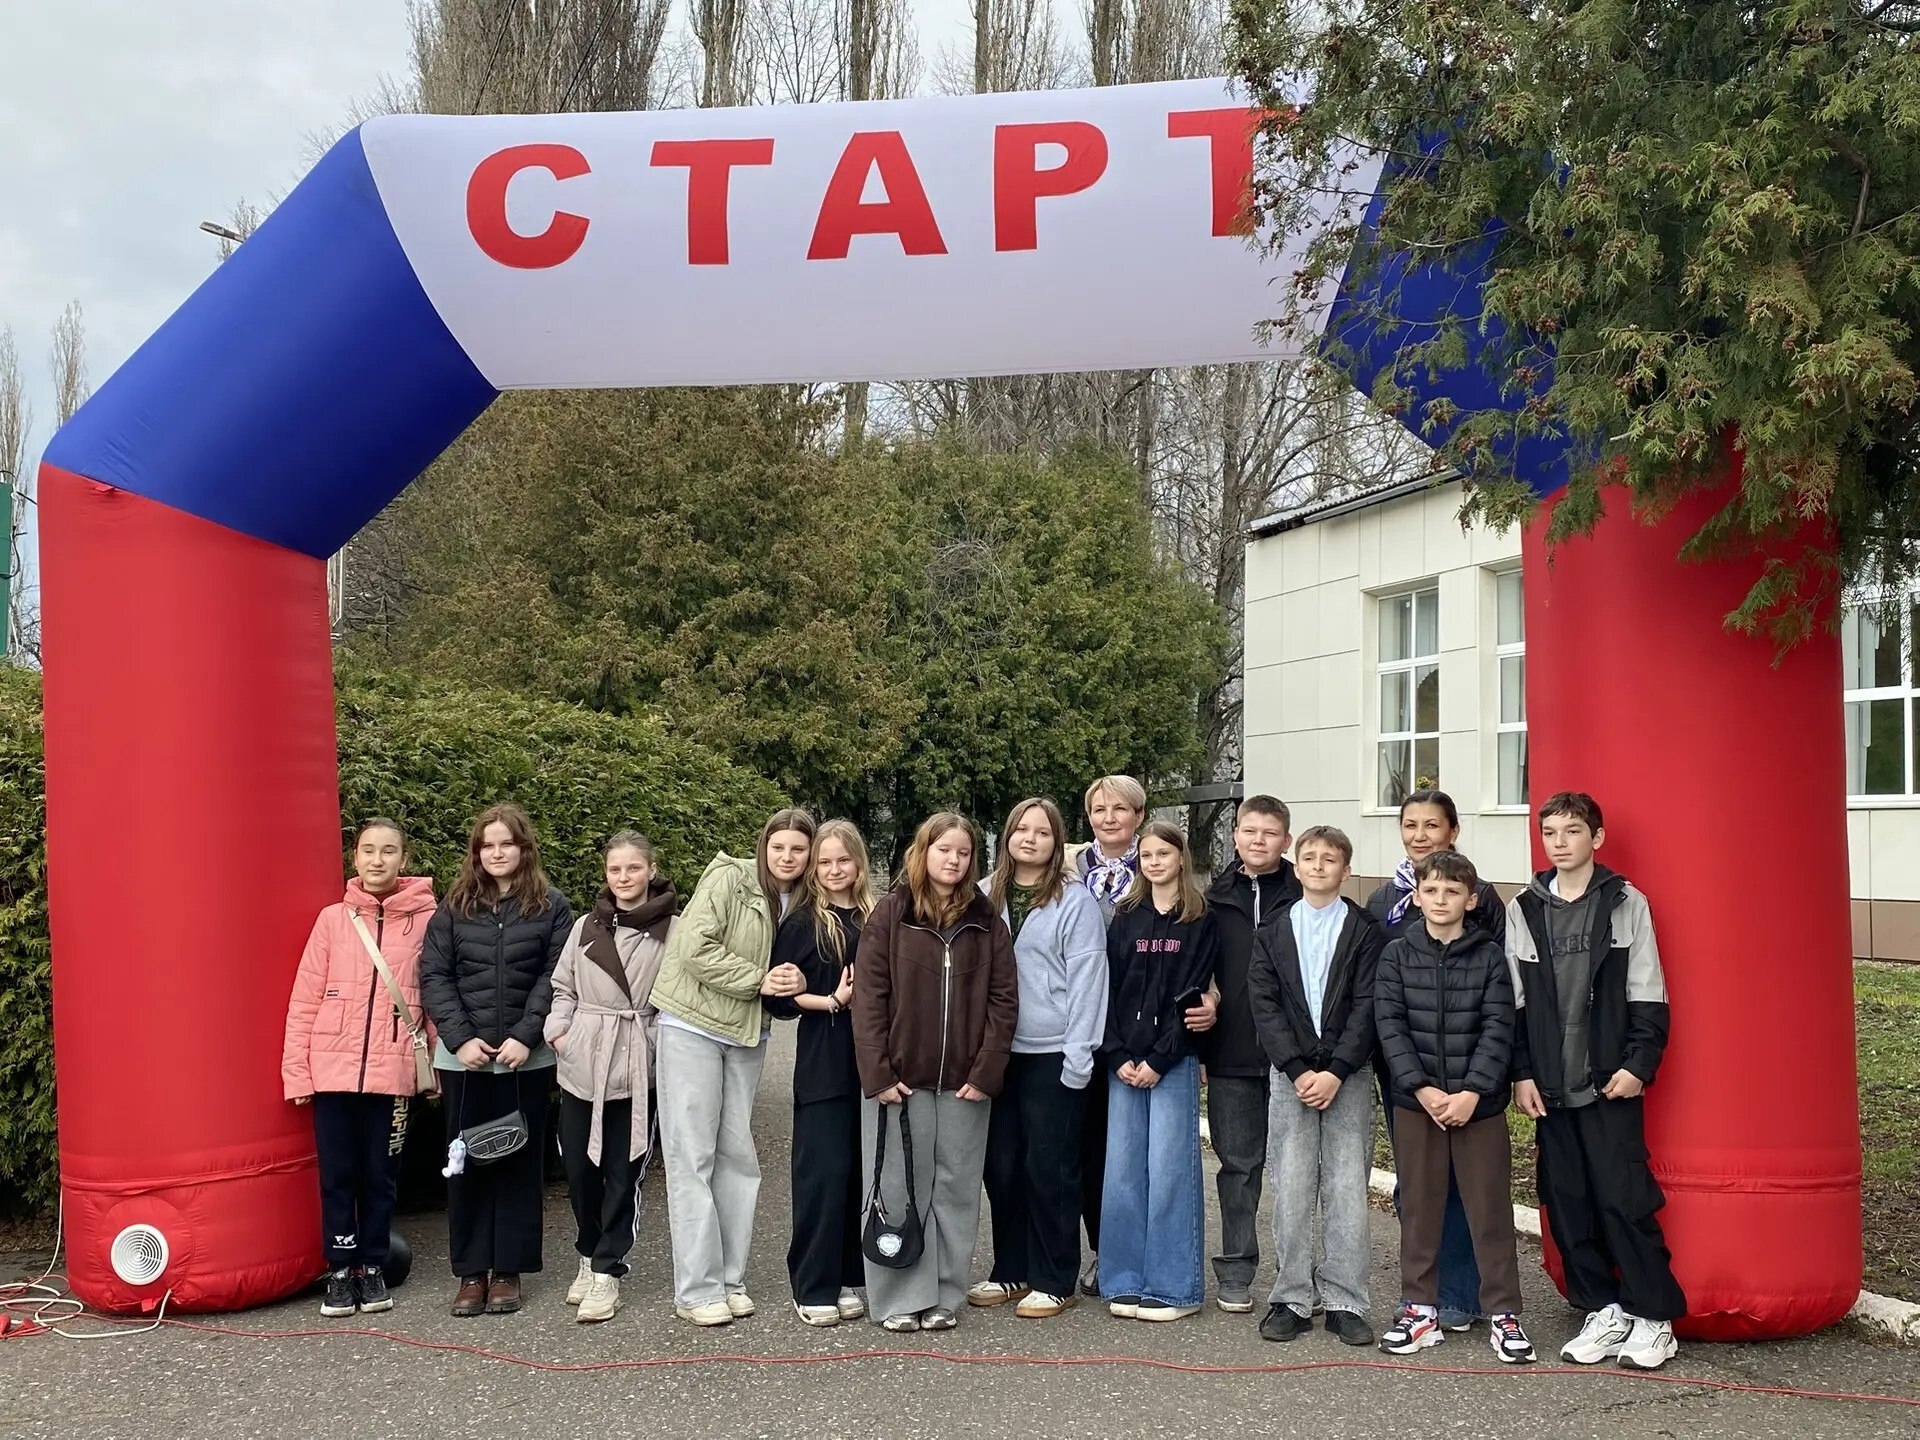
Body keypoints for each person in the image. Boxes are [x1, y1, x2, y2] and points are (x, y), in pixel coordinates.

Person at [1507, 792, 1687, 1371]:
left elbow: (1649, 990)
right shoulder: (1523, 908)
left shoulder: (1626, 902)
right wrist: (1521, 1073)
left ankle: (1653, 1316)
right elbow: (1514, 1003)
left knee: (1623, 1199)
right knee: (1567, 1202)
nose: (1559, 843)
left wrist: (1638, 1065)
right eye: (1550, 833)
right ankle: (1603, 1309)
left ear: (1597, 838)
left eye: (1572, 831)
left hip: (1608, 1082)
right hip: (1549, 1088)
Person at [852, 812, 1018, 1333]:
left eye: (964, 853)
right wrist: (877, 1072)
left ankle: (945, 1294)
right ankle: (900, 1297)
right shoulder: (891, 914)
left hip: (965, 1084)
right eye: (944, 849)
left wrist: (987, 1071)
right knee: (898, 1186)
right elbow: (869, 998)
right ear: (922, 852)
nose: (954, 860)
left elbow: (1003, 1001)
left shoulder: (986, 920)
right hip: (901, 1081)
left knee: (955, 1189)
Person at [651, 808, 815, 1326]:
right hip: (692, 1026)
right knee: (691, 1157)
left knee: (738, 1159)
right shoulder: (731, 877)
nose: (787, 857)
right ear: (763, 846)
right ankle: (696, 1290)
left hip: (747, 1033)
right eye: (778, 847)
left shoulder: (807, 899)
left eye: (798, 849)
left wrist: (798, 983)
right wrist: (758, 978)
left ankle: (729, 1279)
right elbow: (692, 947)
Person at [1373, 852, 1535, 1364]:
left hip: (1477, 1107)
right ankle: (1420, 1310)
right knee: (1420, 1208)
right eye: (1431, 890)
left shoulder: (1489, 957)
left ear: (1470, 899)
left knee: (1488, 1210)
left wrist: (1472, 1092)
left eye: (1452, 892)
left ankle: (1504, 1314)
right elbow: (1390, 1026)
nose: (1440, 900)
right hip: (1416, 1104)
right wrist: (1420, 1088)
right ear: (1416, 896)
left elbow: (1498, 1027)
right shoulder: (1396, 955)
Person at [420, 803, 575, 1318]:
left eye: (506, 843)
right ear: (476, 853)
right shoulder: (454, 906)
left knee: (517, 1161)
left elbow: (556, 976)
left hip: (523, 1059)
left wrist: (526, 1036)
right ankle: (471, 1273)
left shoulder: (551, 906)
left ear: (524, 848)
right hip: (464, 1060)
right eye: (487, 845)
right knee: (466, 1163)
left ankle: (508, 1269)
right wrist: (460, 1038)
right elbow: (435, 976)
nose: (497, 852)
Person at [282, 818, 438, 1318]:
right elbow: (305, 998)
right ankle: (339, 1267)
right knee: (337, 1175)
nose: (377, 859)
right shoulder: (333, 919)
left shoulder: (428, 921)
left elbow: (433, 998)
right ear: (355, 857)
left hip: (393, 1074)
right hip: (332, 1073)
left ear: (403, 859)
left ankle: (372, 1266)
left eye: (388, 850)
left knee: (380, 1175)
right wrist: (297, 1072)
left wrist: (432, 1068)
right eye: (368, 849)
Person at [1364, 788, 1502, 1331]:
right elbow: (1381, 996)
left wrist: (1478, 1081)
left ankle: (1462, 1296)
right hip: (1407, 1072)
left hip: (1469, 1074)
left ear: (1453, 831)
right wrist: (1409, 1075)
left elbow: (1498, 987)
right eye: (1410, 825)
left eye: (1432, 825)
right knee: (1418, 1186)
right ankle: (1423, 1295)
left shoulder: (1481, 897)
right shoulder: (1383, 900)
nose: (1420, 835)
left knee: (1466, 1188)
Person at [969, 798, 1108, 1319]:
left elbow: (1089, 980)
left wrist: (1080, 1055)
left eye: (1042, 832)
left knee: (1050, 1167)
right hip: (995, 1052)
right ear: (1006, 836)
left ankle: (1054, 1277)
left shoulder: (1075, 901)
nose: (1030, 839)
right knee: (1001, 1166)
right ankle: (1012, 1269)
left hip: (1054, 1052)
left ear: (1057, 842)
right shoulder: (983, 895)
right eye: (1021, 829)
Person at [1245, 825, 1384, 1347]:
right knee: (1292, 1186)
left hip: (1348, 1075)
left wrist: (1338, 1069)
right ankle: (1292, 1298)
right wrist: (1298, 1068)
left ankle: (1346, 1300)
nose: (1319, 865)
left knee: (1347, 1187)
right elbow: (1264, 1004)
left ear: (1346, 870)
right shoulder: (1275, 929)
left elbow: (1369, 1005)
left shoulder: (1365, 931)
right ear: (1296, 866)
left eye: (1330, 858)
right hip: (1293, 1077)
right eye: (1310, 857)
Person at [545, 831, 678, 1324]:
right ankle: (587, 1251)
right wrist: (560, 1032)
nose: (624, 877)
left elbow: (680, 995)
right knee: (580, 1171)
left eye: (633, 868)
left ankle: (607, 1270)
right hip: (584, 1061)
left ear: (651, 870)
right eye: (615, 869)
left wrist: (657, 1042)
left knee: (624, 1174)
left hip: (637, 1062)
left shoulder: (673, 930)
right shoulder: (586, 926)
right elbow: (563, 986)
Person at [1099, 821, 1218, 1323]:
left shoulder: (1200, 918)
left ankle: (1174, 1287)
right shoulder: (1125, 916)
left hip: (1172, 1061)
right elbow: (1107, 987)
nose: (1154, 862)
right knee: (1124, 1173)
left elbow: (1193, 996)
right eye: (1145, 855)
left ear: (1180, 858)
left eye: (1163, 854)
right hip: (1124, 1062)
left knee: (1170, 1171)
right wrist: (1117, 1055)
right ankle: (1124, 1279)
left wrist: (1160, 1060)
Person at [764, 819, 877, 1327]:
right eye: (825, 861)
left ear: (858, 863)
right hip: (824, 1063)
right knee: (823, 1175)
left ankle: (847, 1275)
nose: (834, 870)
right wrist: (832, 999)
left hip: (872, 1063)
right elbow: (779, 999)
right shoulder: (803, 922)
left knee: (857, 1173)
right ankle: (812, 1283)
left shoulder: (878, 916)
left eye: (843, 860)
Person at [1194, 794, 1301, 1313]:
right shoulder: (1210, 900)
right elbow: (1198, 975)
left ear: (1286, 840)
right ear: (1235, 835)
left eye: (1270, 832)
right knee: (1238, 1167)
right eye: (1249, 830)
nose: (1258, 840)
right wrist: (1200, 1045)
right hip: (1231, 1052)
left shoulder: (1305, 894)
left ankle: (1297, 1276)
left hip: (1295, 1057)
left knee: (1298, 1171)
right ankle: (1236, 1270)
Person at [1065, 772, 1147, 1296]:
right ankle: (1096, 1250)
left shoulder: (1155, 863)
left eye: (1120, 809)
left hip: (1135, 1026)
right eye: (1099, 809)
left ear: (1139, 815)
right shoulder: (1070, 870)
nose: (1109, 818)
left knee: (1128, 1151)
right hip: (1078, 1021)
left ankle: (1132, 1252)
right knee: (1086, 1145)